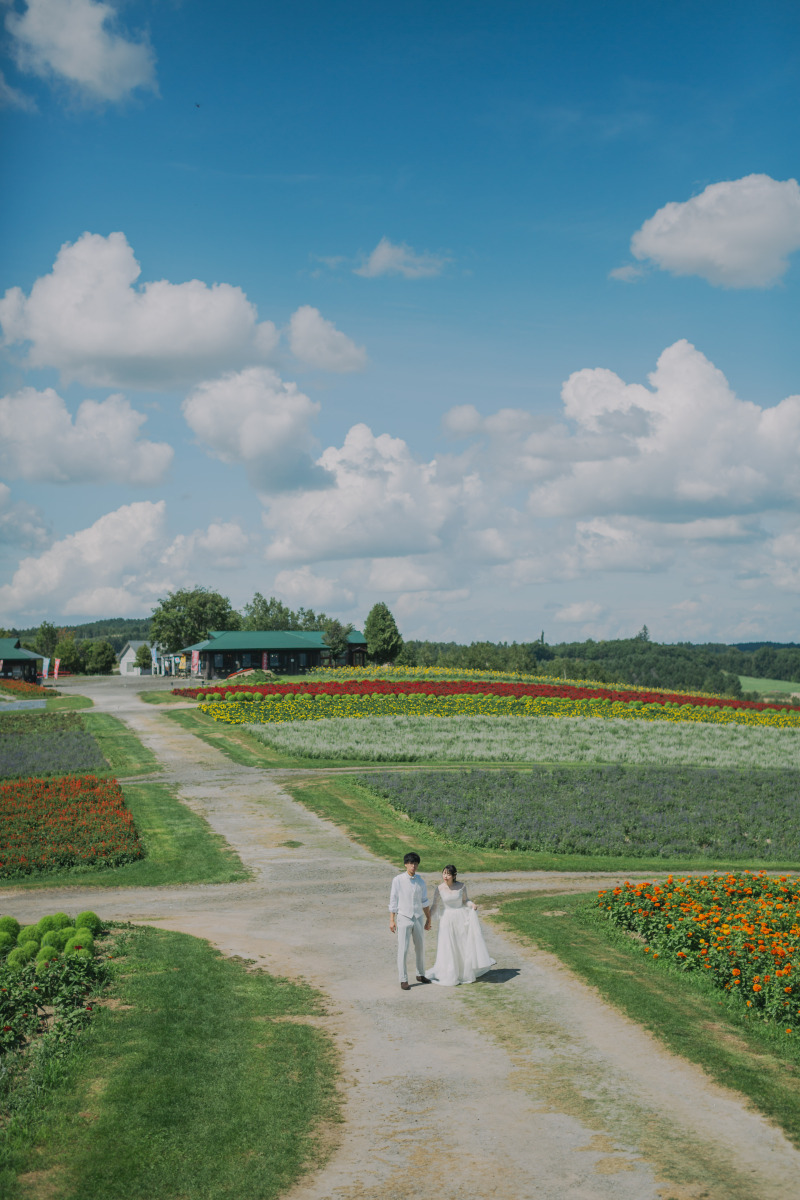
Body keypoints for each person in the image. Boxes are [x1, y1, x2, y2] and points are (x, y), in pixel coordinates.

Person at [425, 864, 496, 986]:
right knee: (448, 945)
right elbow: (435, 906)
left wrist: (472, 905)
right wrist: (428, 919)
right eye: (444, 873)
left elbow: (465, 900)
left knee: (461, 943)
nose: (445, 876)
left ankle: (464, 971)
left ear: (454, 875)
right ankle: (450, 971)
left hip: (460, 917)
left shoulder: (461, 886)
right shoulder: (439, 888)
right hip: (447, 919)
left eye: (448, 874)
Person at [389, 852, 432, 991]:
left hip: (418, 917)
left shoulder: (420, 881)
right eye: (411, 863)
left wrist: (428, 919)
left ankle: (420, 974)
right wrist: (392, 920)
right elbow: (393, 900)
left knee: (420, 947)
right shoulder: (398, 880)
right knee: (403, 949)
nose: (413, 866)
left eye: (415, 863)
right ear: (405, 864)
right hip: (404, 917)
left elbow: (424, 901)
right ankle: (403, 979)